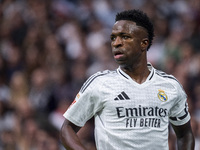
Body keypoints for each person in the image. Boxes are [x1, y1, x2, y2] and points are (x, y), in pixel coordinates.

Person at [60, 9, 195, 150]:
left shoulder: (170, 86)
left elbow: (185, 134)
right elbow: (67, 129)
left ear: (144, 43)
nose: (116, 43)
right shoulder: (100, 83)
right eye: (113, 38)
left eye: (124, 37)